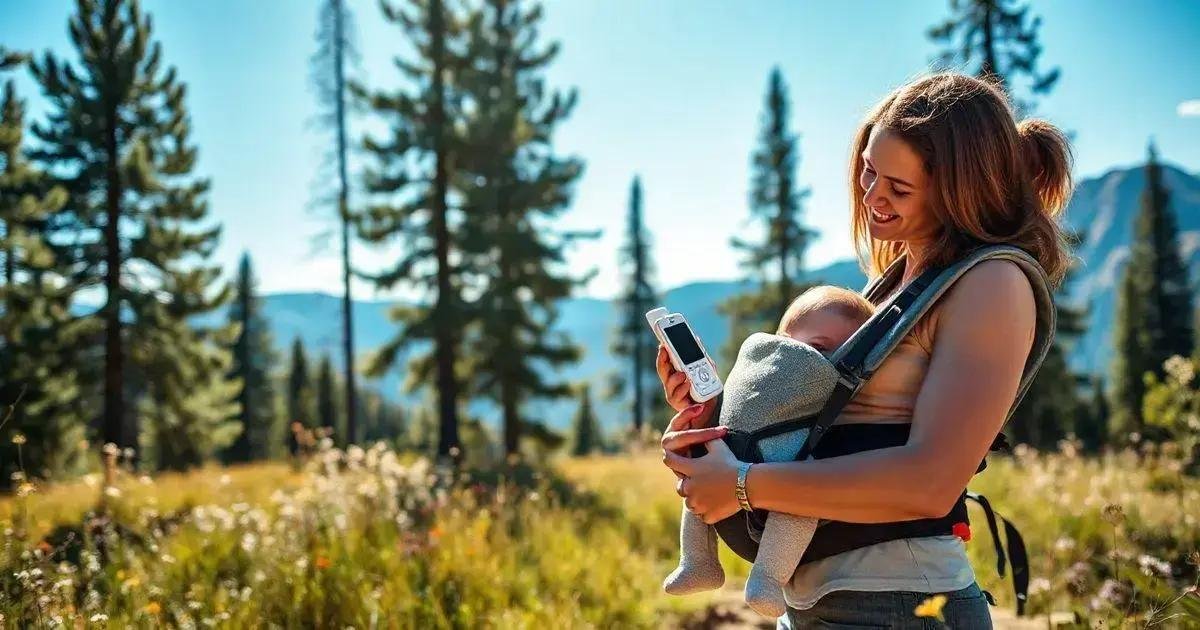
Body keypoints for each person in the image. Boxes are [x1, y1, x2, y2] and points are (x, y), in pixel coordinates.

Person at [656, 72, 1072, 629]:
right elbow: (832, 426)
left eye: (899, 188)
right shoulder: (898, 284)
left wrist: (741, 485)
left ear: (961, 190)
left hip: (897, 603)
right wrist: (716, 424)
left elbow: (930, 481)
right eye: (869, 172)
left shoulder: (992, 284)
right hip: (817, 603)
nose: (873, 196)